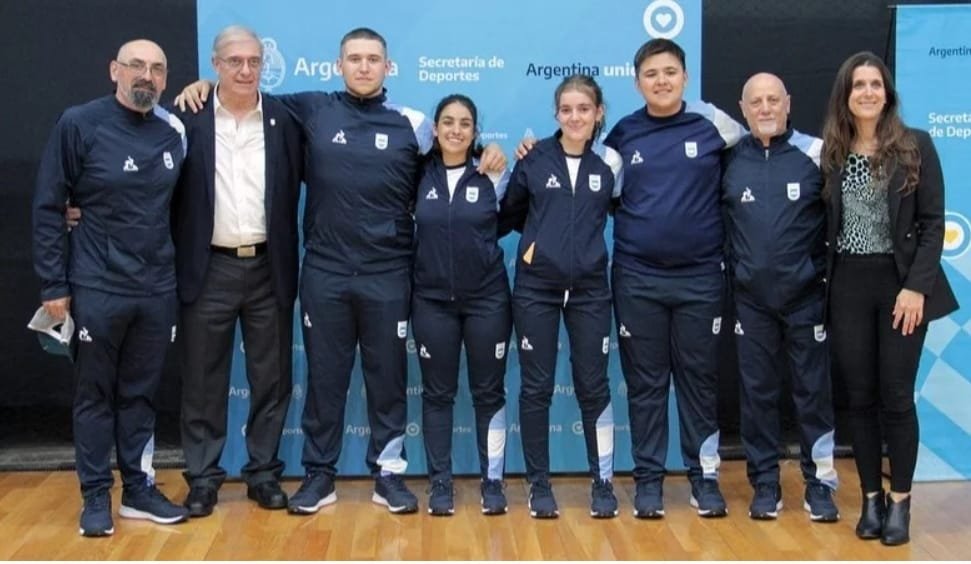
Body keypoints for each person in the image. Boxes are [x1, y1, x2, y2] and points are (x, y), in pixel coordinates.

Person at [177, 27, 506, 515]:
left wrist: (489, 156)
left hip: (389, 273)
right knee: (325, 378)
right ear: (339, 65)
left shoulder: (412, 123)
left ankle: (388, 475)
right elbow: (244, 93)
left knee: (387, 378)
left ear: (388, 67)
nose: (364, 66)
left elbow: (453, 157)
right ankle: (318, 474)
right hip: (325, 272)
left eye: (374, 59)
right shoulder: (308, 109)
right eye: (355, 58)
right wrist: (201, 86)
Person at [32, 39, 190, 537]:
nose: (147, 76)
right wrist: (53, 283)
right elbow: (48, 207)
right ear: (114, 71)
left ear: (166, 79)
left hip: (156, 288)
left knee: (141, 395)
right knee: (96, 395)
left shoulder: (175, 131)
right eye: (136, 66)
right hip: (96, 285)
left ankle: (139, 490)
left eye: (157, 69)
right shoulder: (79, 123)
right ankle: (95, 495)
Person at [821, 51, 957, 546]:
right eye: (858, 84)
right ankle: (871, 500)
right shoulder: (832, 153)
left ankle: (900, 502)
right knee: (858, 399)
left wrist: (917, 287)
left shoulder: (915, 145)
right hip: (848, 288)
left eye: (875, 83)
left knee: (896, 398)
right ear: (846, 94)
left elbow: (932, 224)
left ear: (888, 91)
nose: (868, 92)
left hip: (901, 287)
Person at [604, 38, 744, 519]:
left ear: (685, 77)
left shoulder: (715, 125)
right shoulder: (622, 134)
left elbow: (755, 167)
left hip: (701, 279)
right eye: (651, 74)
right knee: (645, 385)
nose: (661, 81)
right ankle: (648, 483)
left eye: (669, 72)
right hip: (637, 278)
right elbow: (599, 191)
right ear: (637, 81)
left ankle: (704, 480)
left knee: (699, 383)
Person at [170, 26, 303, 518]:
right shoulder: (188, 117)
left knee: (271, 377)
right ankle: (203, 479)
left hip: (270, 266)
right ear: (215, 64)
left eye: (253, 61)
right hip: (210, 268)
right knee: (204, 380)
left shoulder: (286, 118)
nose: (245, 71)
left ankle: (263, 474)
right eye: (234, 62)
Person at [500, 74, 622, 519]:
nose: (575, 117)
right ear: (556, 114)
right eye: (567, 110)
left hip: (591, 289)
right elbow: (510, 213)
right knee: (536, 388)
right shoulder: (534, 160)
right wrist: (539, 247)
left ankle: (603, 483)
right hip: (536, 289)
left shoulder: (611, 162)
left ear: (598, 113)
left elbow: (623, 209)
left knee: (594, 387)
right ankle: (539, 485)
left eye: (583, 109)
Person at [722, 72, 839, 522]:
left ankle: (820, 486)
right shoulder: (729, 159)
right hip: (751, 302)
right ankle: (765, 484)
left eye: (773, 99)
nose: (765, 108)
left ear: (788, 103)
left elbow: (840, 221)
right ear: (744, 107)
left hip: (807, 298)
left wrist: (822, 278)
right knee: (757, 394)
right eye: (756, 101)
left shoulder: (815, 153)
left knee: (813, 393)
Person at [411, 94, 511, 516]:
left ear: (475, 132)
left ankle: (493, 483)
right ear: (434, 129)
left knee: (489, 393)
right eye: (447, 122)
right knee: (437, 395)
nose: (455, 129)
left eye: (465, 123)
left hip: (487, 301)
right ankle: (440, 484)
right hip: (432, 303)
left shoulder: (493, 174)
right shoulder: (415, 175)